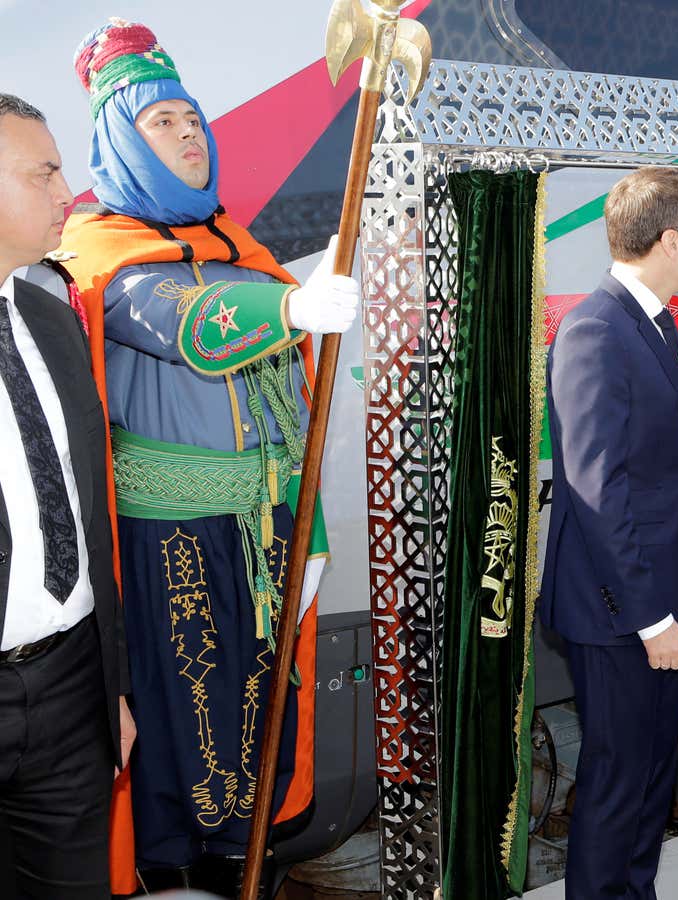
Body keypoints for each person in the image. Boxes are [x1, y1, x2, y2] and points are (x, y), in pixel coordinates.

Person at [57, 20, 357, 894]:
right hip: (171, 537)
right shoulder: (102, 254)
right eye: (162, 123)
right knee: (189, 721)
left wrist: (313, 524)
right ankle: (177, 875)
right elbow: (184, 328)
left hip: (264, 525)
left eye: (194, 117)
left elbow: (290, 405)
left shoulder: (241, 247)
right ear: (117, 140)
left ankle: (238, 867)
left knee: (260, 711)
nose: (190, 132)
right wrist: (290, 313)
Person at [541, 166, 678, 897]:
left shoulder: (654, 322)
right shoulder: (595, 331)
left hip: (657, 604)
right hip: (622, 617)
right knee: (617, 786)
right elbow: (596, 490)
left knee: (649, 777)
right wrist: (651, 618)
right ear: (669, 240)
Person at [0, 92, 132, 900]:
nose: (68, 192)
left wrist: (109, 687)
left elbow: (89, 515)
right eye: (43, 172)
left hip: (71, 696)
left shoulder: (51, 322)